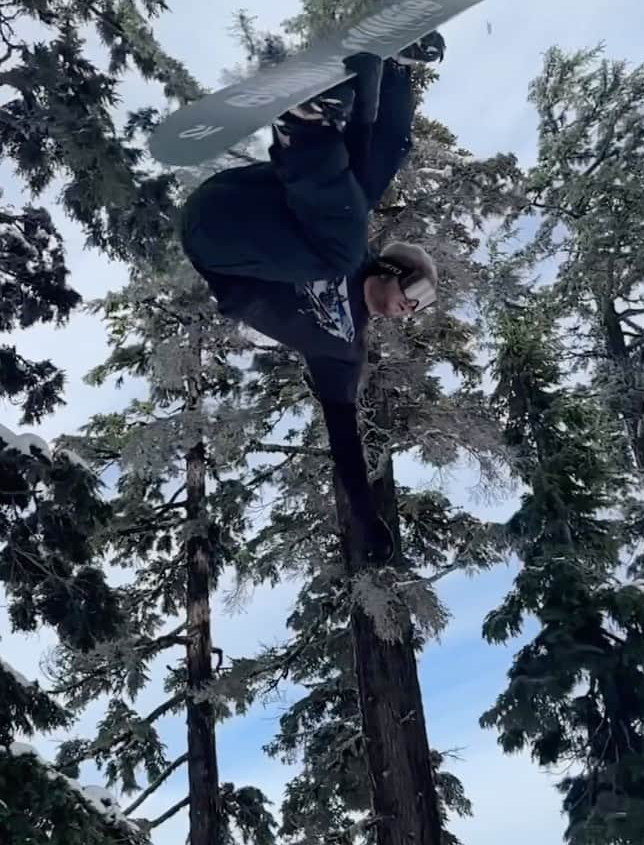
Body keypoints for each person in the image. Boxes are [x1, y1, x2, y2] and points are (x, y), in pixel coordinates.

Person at [179, 32, 445, 565]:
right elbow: (371, 158)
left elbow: (345, 441)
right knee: (374, 170)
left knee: (346, 226)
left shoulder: (343, 352)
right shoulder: (352, 245)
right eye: (415, 290)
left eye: (421, 307)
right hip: (240, 199)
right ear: (393, 268)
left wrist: (367, 517)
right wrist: (388, 91)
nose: (410, 308)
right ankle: (386, 71)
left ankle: (308, 124)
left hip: (219, 245)